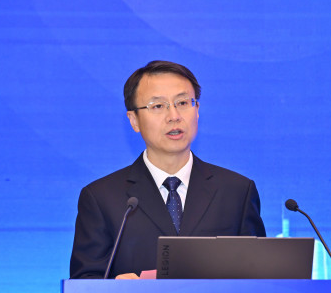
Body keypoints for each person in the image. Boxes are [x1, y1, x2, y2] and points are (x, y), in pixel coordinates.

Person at [70, 60, 266, 279]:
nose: (174, 116)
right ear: (134, 120)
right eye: (158, 106)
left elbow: (259, 278)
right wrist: (115, 287)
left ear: (197, 110)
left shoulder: (236, 192)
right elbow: (84, 284)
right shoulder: (102, 198)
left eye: (182, 103)